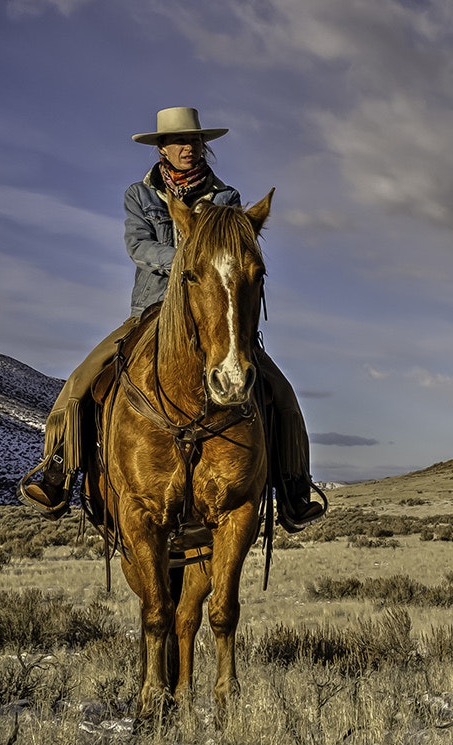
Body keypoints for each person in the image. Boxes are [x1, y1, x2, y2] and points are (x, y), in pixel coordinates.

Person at [19, 107, 326, 531]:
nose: (187, 148)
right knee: (82, 380)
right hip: (151, 309)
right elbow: (139, 247)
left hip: (213, 310)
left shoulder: (226, 198)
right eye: (177, 141)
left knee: (281, 393)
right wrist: (187, 259)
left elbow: (233, 255)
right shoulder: (139, 196)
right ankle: (58, 470)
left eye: (194, 141)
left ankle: (294, 487)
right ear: (161, 148)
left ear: (204, 147)